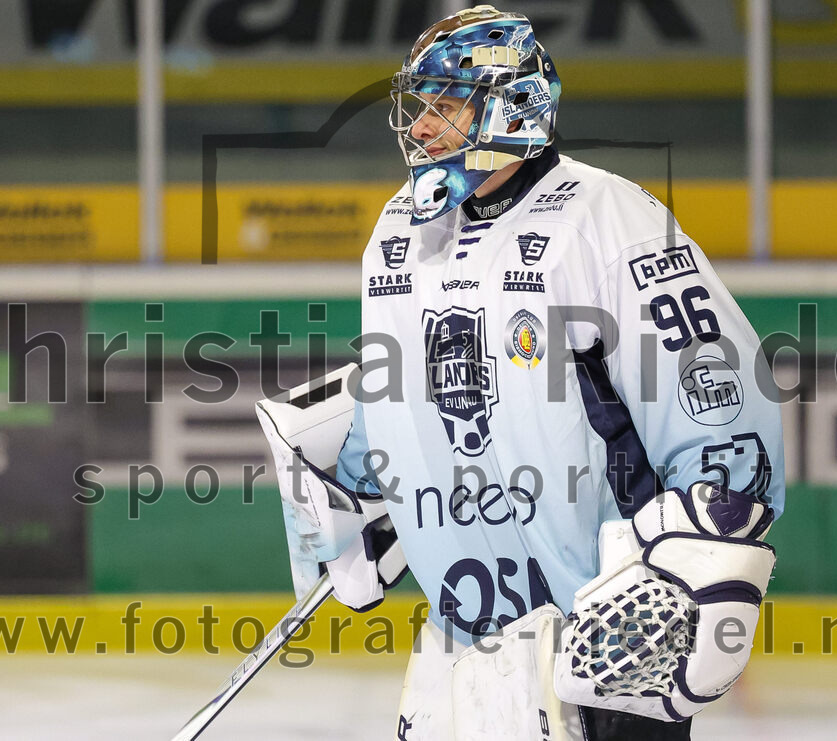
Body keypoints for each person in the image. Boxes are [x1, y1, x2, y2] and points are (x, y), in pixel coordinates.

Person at [267, 5, 785, 740]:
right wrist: (353, 482)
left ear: (508, 103)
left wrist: (703, 547)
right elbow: (399, 388)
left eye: (443, 107)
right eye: (419, 108)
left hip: (607, 639)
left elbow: (718, 405)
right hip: (462, 638)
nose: (418, 129)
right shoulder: (396, 233)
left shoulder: (610, 220)